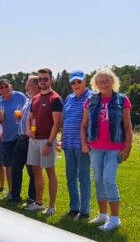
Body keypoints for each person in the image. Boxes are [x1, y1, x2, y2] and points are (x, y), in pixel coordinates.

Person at [81, 68, 134, 231]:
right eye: (100, 81)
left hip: (115, 148)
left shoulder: (122, 100)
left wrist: (127, 148)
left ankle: (115, 218)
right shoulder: (90, 101)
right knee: (98, 180)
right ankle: (103, 215)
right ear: (95, 84)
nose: (103, 83)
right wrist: (84, 144)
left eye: (107, 80)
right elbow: (83, 125)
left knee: (108, 179)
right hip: (95, 148)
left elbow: (127, 126)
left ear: (113, 81)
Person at [26, 68, 63, 215]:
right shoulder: (34, 98)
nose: (42, 81)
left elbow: (57, 124)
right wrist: (28, 130)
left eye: (45, 79)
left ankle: (52, 206)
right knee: (36, 172)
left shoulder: (55, 98)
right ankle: (39, 202)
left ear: (51, 80)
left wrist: (49, 143)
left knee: (50, 172)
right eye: (40, 79)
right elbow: (29, 118)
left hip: (47, 141)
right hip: (34, 140)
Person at [61, 70, 93, 220]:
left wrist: (87, 142)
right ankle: (74, 208)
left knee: (83, 177)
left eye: (78, 82)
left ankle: (84, 211)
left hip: (82, 145)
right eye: (73, 82)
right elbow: (65, 119)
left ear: (85, 81)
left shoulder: (91, 97)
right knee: (70, 177)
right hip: (68, 143)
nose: (76, 85)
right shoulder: (69, 98)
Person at [0, 79, 28, 202]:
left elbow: (30, 110)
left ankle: (31, 196)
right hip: (7, 138)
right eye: (1, 87)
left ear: (11, 86)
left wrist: (21, 115)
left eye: (6, 86)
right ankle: (12, 191)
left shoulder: (20, 96)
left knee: (26, 166)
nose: (4, 89)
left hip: (21, 136)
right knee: (8, 165)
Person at [14, 76, 40, 208]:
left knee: (32, 170)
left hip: (30, 139)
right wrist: (18, 118)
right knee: (16, 167)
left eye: (28, 85)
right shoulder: (27, 100)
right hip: (21, 138)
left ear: (35, 86)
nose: (26, 87)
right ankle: (15, 195)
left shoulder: (38, 100)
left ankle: (32, 198)